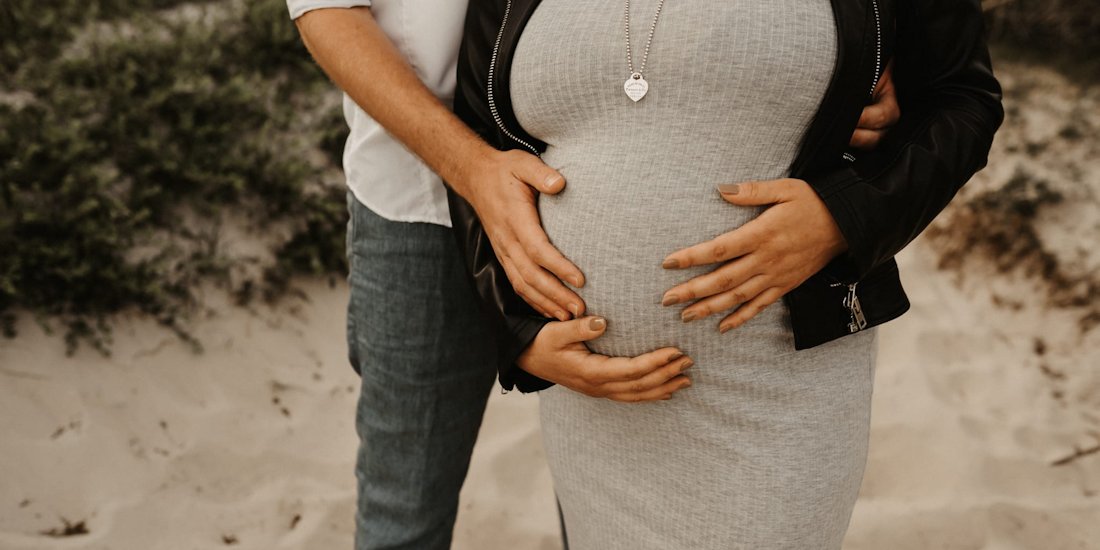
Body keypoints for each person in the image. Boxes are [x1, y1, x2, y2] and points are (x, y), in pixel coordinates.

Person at [287, 1, 901, 548]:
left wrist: (842, 63)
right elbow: (327, 12)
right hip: (415, 204)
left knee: (586, 508)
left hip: (555, 172)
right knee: (406, 506)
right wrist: (472, 169)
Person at [448, 0, 1003, 548]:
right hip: (590, 406)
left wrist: (844, 215)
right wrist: (519, 330)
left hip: (773, 385)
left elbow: (961, 101)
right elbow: (481, 149)